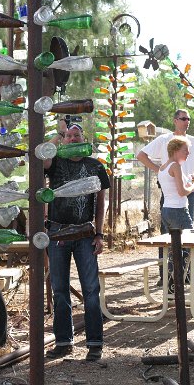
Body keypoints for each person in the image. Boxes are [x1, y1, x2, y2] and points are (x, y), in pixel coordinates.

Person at [43, 120, 110, 361]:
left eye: (76, 135)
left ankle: (94, 343)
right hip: (58, 233)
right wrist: (56, 137)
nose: (72, 139)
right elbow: (40, 157)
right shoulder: (55, 162)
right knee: (59, 289)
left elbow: (101, 202)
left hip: (85, 234)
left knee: (91, 289)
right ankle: (63, 341)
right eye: (68, 136)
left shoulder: (95, 166)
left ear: (83, 139)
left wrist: (100, 234)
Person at [137, 109, 194, 290]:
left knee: (187, 235)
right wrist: (160, 171)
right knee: (168, 236)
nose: (187, 121)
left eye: (189, 118)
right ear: (175, 121)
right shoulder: (164, 140)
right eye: (183, 118)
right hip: (172, 193)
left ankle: (187, 277)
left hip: (186, 192)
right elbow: (140, 155)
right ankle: (168, 277)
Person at [158, 136, 194, 292]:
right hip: (178, 210)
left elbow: (174, 187)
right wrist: (191, 188)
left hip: (166, 209)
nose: (188, 153)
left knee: (173, 249)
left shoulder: (163, 167)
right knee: (193, 247)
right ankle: (193, 286)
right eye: (185, 150)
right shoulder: (176, 166)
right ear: (176, 150)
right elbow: (182, 192)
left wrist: (188, 181)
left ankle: (172, 286)